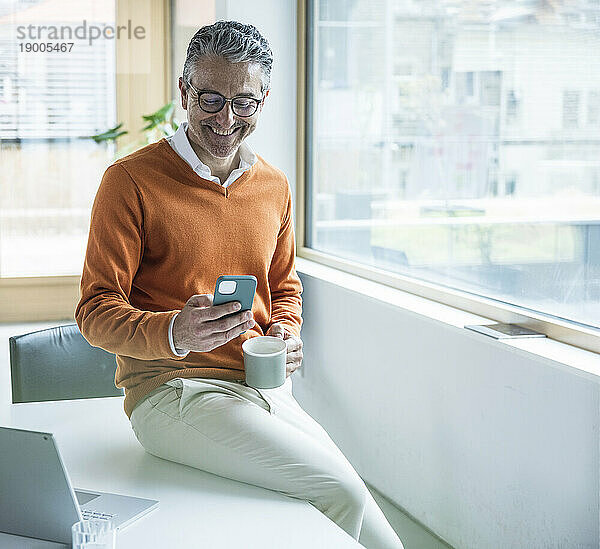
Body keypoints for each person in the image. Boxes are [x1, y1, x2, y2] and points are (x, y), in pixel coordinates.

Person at [75, 20, 404, 549]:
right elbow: (94, 313)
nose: (226, 119)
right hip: (170, 393)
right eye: (209, 98)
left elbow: (285, 287)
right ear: (184, 92)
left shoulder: (272, 185)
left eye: (244, 102)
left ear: (262, 99)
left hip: (258, 387)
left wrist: (287, 333)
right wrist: (177, 333)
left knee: (360, 502)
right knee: (340, 490)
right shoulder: (130, 182)